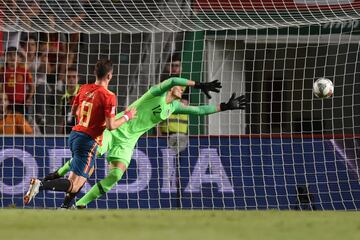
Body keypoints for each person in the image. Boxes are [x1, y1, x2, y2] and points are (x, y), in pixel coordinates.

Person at [47, 77, 246, 208]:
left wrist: (225, 106)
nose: (182, 88)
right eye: (181, 86)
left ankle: (79, 205)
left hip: (128, 142)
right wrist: (198, 84)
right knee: (89, 156)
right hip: (115, 129)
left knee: (116, 174)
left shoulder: (174, 107)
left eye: (185, 88)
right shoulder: (155, 93)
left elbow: (200, 111)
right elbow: (173, 79)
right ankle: (58, 174)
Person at [23, 59, 136, 205]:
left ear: (95, 73)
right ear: (109, 76)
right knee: (74, 184)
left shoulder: (83, 88)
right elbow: (111, 126)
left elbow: (74, 111)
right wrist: (127, 116)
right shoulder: (109, 96)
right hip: (88, 141)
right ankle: (40, 185)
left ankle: (65, 206)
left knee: (89, 170)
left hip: (75, 135)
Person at [0, 47, 35, 115]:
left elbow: (31, 86)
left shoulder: (24, 70)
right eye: (9, 55)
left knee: (20, 122)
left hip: (20, 103)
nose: (12, 57)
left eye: (14, 55)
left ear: (19, 57)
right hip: (6, 104)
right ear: (5, 58)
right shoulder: (2, 70)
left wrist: (29, 98)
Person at [61, 67, 80, 134]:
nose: (71, 79)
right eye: (68, 77)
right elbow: (63, 117)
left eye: (74, 77)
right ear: (64, 79)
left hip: (80, 132)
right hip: (67, 132)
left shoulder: (83, 93)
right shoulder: (63, 98)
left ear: (78, 79)